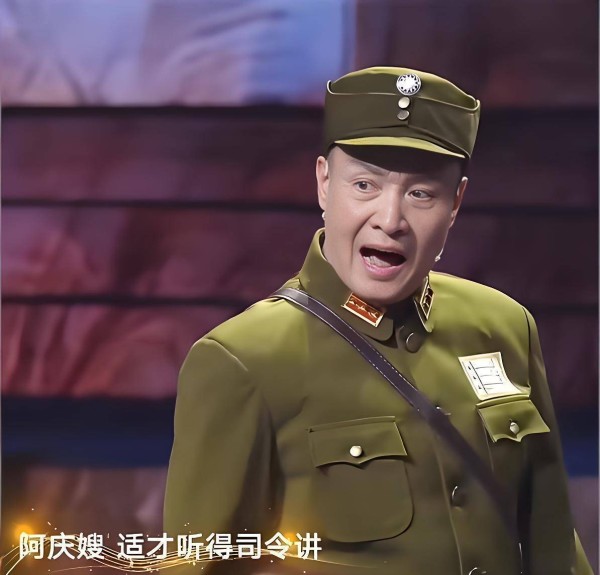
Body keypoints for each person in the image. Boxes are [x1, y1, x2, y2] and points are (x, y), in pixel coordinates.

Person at [163, 67, 593, 575]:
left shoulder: (504, 325)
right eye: (365, 185)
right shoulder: (242, 360)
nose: (390, 220)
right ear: (324, 183)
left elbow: (553, 543)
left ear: (455, 204)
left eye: (421, 194)